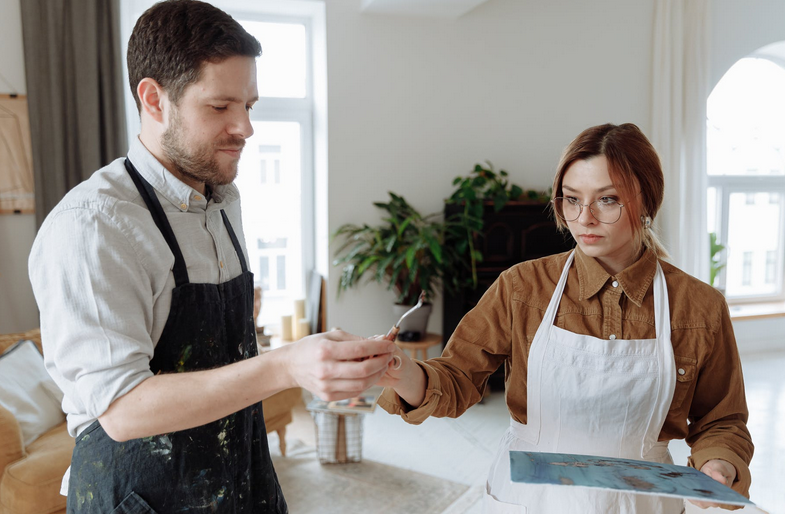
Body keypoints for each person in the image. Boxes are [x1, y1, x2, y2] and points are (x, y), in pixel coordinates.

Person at [28, 1, 396, 512]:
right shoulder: (93, 225)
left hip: (243, 483)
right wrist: (287, 365)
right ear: (154, 99)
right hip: (141, 498)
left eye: (250, 105)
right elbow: (121, 409)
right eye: (221, 107)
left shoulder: (222, 200)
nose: (245, 127)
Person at [377, 123, 753, 513]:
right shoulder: (522, 288)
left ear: (647, 202)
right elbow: (456, 378)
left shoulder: (699, 307)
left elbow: (721, 420)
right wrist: (400, 371)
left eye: (607, 200)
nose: (584, 218)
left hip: (641, 501)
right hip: (530, 498)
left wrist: (717, 465)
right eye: (572, 199)